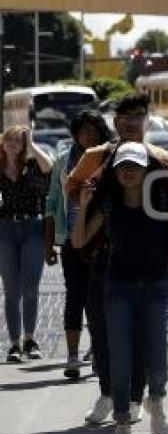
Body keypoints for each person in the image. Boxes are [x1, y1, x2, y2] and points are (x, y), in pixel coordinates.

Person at [72, 142, 168, 434]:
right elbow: (79, 242)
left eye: (135, 166)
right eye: (123, 166)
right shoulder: (108, 206)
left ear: (147, 170)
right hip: (118, 288)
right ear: (114, 172)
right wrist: (86, 205)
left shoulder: (162, 201)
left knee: (156, 356)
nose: (129, 171)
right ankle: (123, 424)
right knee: (120, 358)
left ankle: (156, 403)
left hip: (156, 286)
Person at [66, 93, 168, 425]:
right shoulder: (95, 156)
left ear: (147, 120)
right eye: (126, 116)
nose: (132, 122)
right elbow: (72, 190)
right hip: (104, 259)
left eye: (138, 115)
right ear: (116, 121)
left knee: (146, 340)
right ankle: (108, 394)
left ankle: (133, 401)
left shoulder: (163, 159)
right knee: (103, 334)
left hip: (151, 263)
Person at [44, 110, 111, 378]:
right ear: (75, 134)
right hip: (71, 240)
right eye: (83, 131)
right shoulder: (62, 162)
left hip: (101, 240)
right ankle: (72, 356)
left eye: (93, 132)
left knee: (100, 299)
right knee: (75, 296)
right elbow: (51, 205)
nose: (88, 136)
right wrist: (48, 245)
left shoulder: (108, 159)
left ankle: (98, 351)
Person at [0, 126, 53, 363]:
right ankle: (14, 343)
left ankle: (30, 338)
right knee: (11, 290)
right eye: (9, 140)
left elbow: (48, 166)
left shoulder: (32, 166)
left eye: (18, 141)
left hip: (33, 227)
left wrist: (31, 145)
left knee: (30, 286)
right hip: (5, 229)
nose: (13, 144)